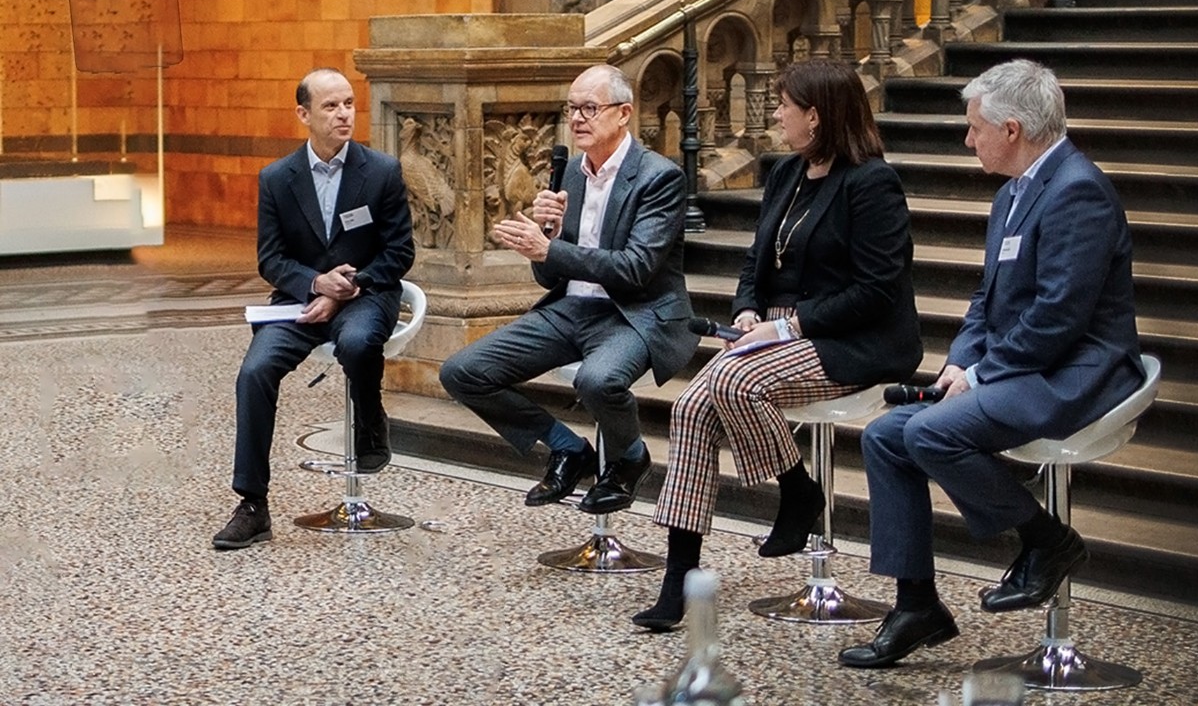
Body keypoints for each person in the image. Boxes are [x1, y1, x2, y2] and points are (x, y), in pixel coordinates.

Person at [838, 59, 1144, 668]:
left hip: (1079, 371)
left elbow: (1059, 318)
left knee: (928, 430)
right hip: (1025, 363)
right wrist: (960, 364)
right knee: (884, 436)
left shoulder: (1077, 190)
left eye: (975, 127)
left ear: (1011, 130)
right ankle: (917, 604)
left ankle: (1045, 540)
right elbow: (987, 299)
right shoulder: (1014, 190)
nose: (967, 138)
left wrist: (982, 374)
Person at [632, 59, 922, 630]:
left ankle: (797, 492)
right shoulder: (787, 174)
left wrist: (788, 326)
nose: (777, 114)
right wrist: (746, 309)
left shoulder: (871, 183)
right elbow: (755, 262)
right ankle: (679, 583)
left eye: (785, 105)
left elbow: (876, 289)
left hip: (851, 338)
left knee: (736, 381)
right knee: (693, 407)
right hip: (774, 333)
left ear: (814, 117)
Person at [439, 64, 698, 516]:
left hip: (634, 312)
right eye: (572, 108)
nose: (578, 118)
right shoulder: (570, 173)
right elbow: (549, 277)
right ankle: (566, 447)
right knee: (462, 371)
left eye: (590, 108)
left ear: (624, 114)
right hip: (570, 307)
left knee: (597, 379)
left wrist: (551, 250)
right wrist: (547, 241)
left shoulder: (660, 177)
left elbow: (636, 269)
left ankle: (629, 459)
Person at [212, 68, 415, 550]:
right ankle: (253, 504)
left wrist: (348, 286)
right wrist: (313, 284)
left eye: (348, 103)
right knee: (254, 371)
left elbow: (399, 253)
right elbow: (271, 259)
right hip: (298, 303)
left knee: (359, 340)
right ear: (303, 114)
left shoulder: (382, 171)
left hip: (365, 294)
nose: (344, 113)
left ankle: (370, 423)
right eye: (331, 106)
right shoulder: (277, 179)